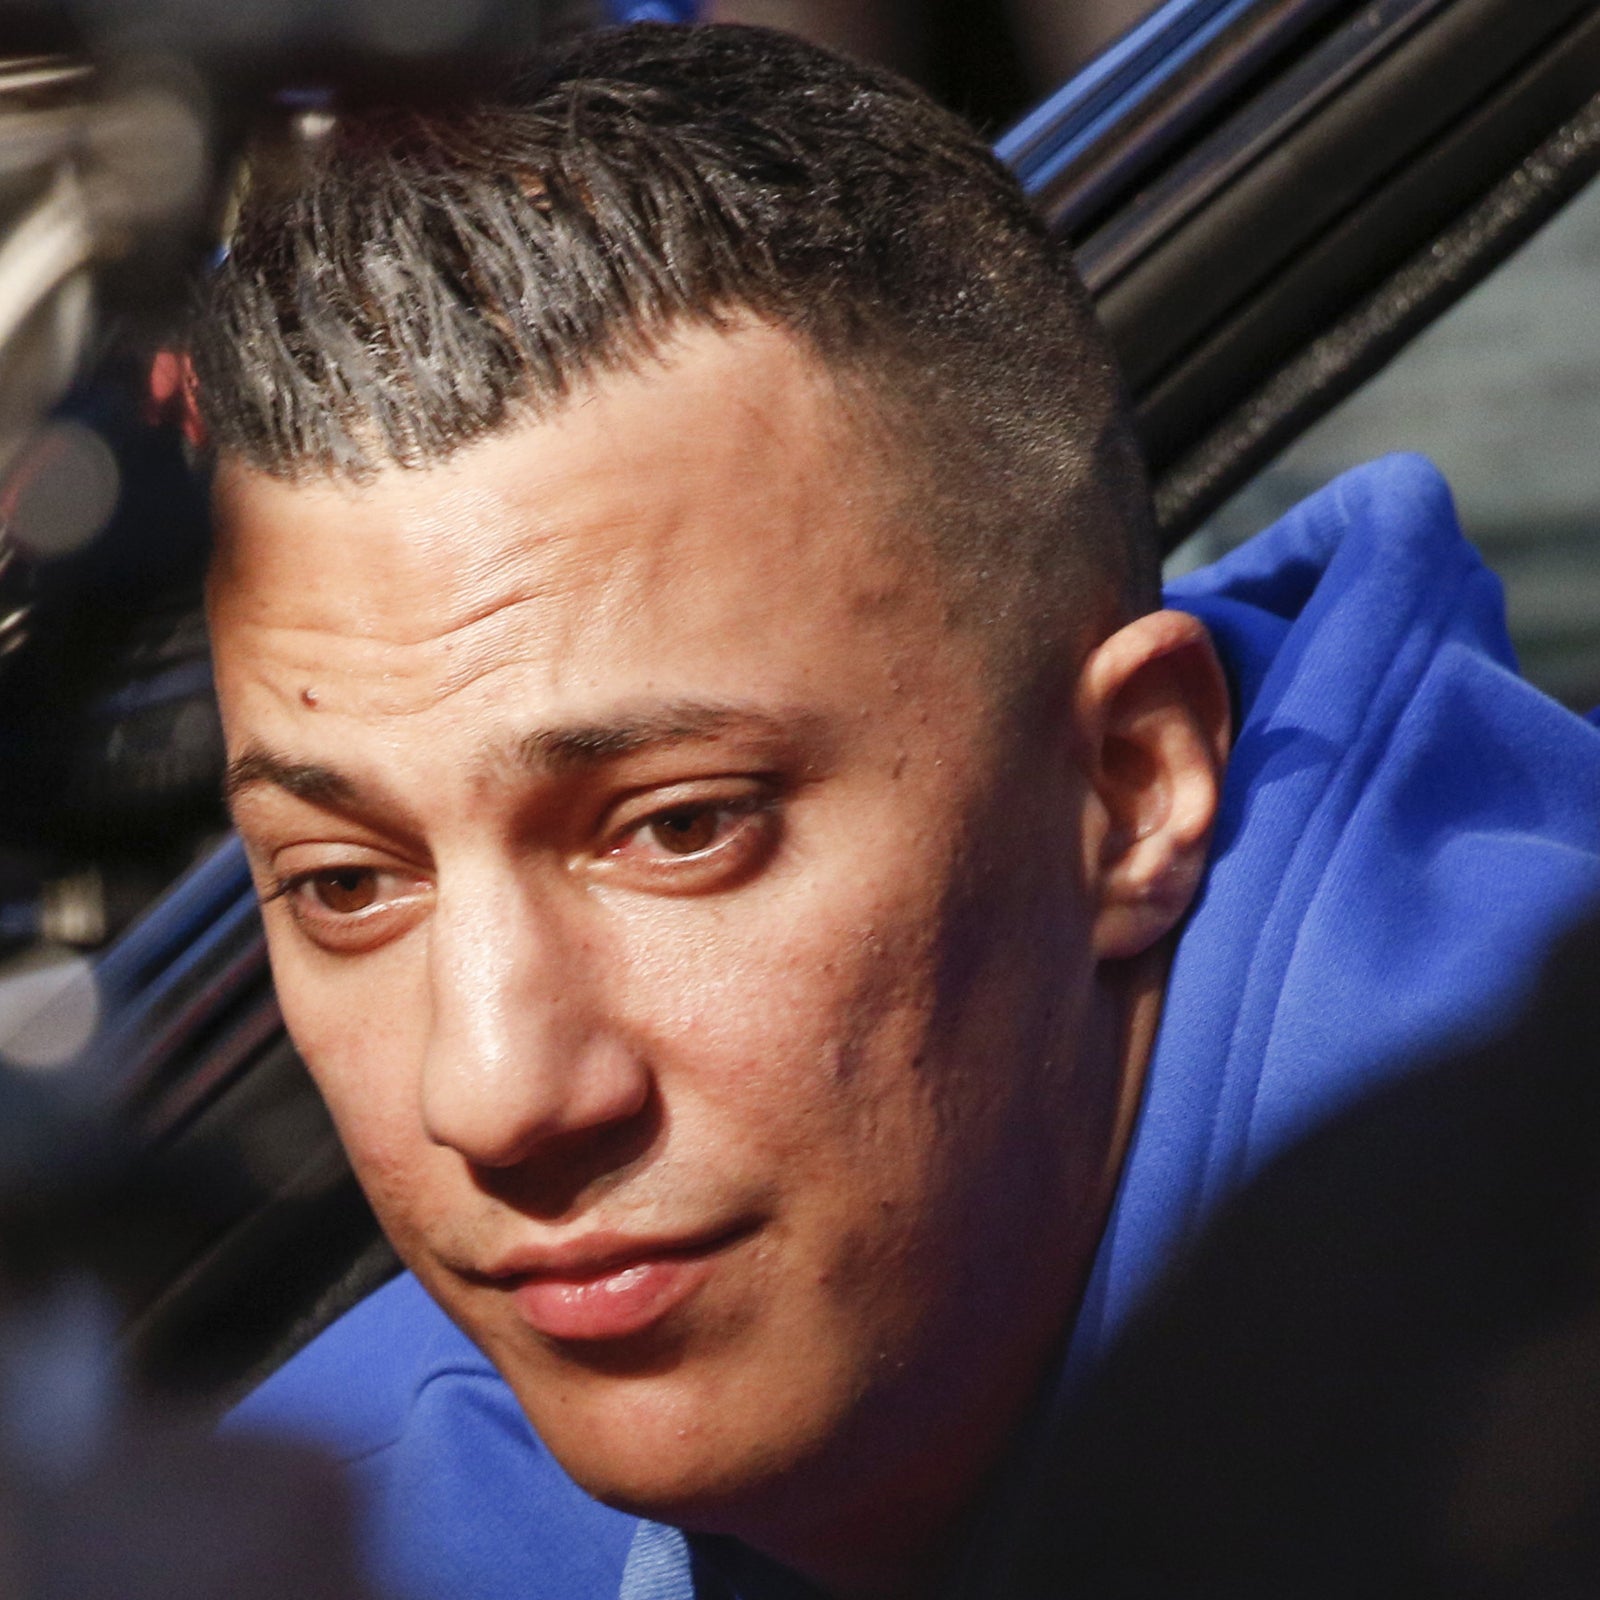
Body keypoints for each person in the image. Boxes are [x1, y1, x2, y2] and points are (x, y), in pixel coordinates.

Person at [190, 22, 1600, 1600]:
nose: (498, 1095)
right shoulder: (338, 1523)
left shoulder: (1525, 1347)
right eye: (344, 883)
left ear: (1132, 788)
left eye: (680, 828)